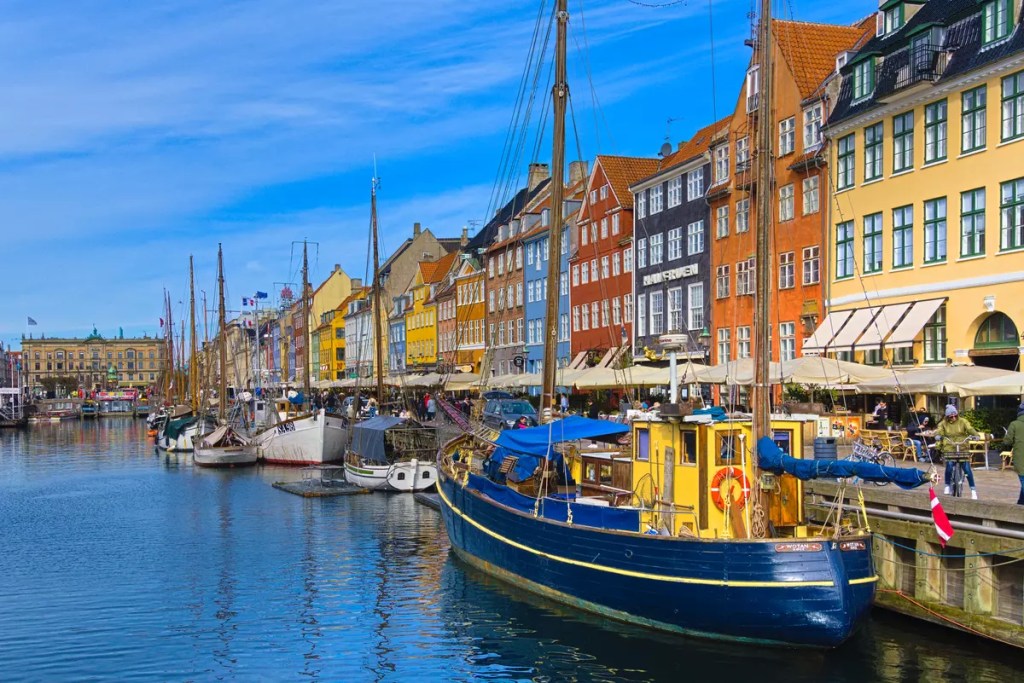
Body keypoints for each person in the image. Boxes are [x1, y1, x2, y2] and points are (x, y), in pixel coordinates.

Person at [936, 404, 981, 499]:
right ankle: (947, 485)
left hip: (962, 447)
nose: (953, 418)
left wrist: (975, 435)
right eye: (950, 416)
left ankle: (973, 490)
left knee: (967, 469)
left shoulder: (963, 421)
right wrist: (938, 435)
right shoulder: (943, 423)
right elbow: (939, 430)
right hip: (949, 447)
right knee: (949, 466)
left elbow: (969, 428)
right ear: (947, 417)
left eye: (955, 415)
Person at [1001, 402, 1024, 505]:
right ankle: (1020, 505)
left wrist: (1005, 438)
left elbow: (1007, 442)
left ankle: (1019, 507)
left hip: (1021, 459)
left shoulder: (1014, 424)